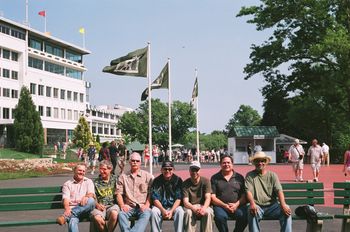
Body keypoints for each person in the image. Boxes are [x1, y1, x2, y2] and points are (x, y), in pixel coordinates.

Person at [245, 152, 292, 232]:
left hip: (272, 206)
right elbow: (248, 191)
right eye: (257, 161)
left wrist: (283, 204)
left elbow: (279, 191)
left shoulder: (273, 175)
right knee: (251, 211)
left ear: (266, 162)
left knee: (287, 211)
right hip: (257, 206)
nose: (260, 163)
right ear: (254, 163)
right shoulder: (250, 175)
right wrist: (252, 204)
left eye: (262, 161)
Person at [116, 152, 153, 232]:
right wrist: (122, 205)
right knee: (121, 214)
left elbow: (151, 193)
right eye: (133, 160)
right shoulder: (123, 177)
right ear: (129, 162)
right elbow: (118, 193)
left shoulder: (147, 176)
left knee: (147, 214)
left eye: (137, 161)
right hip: (128, 206)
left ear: (140, 162)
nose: (135, 162)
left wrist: (147, 205)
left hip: (142, 206)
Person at [211, 154, 248, 232]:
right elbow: (213, 197)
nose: (226, 164)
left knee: (244, 216)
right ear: (220, 164)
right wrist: (224, 206)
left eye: (228, 162)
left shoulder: (239, 177)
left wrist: (236, 204)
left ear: (232, 164)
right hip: (220, 206)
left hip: (238, 206)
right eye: (224, 163)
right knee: (219, 217)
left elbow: (244, 195)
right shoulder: (215, 178)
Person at [56, 164, 95, 232]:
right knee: (72, 220)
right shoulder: (67, 184)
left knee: (91, 200)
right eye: (80, 170)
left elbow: (91, 193)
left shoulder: (88, 181)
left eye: (83, 171)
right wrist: (67, 208)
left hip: (86, 209)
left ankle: (66, 217)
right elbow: (66, 199)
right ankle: (70, 215)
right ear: (74, 171)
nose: (81, 172)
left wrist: (86, 196)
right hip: (72, 208)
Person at [150, 160, 184, 232]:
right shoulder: (156, 181)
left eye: (170, 169)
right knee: (154, 212)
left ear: (173, 170)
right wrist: (163, 210)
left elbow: (179, 198)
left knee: (180, 211)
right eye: (165, 169)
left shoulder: (178, 180)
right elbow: (155, 199)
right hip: (160, 206)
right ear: (161, 170)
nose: (167, 171)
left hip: (174, 206)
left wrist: (171, 211)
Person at [182, 161, 213, 232]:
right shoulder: (185, 183)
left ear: (200, 170)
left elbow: (208, 198)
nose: (194, 172)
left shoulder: (206, 181)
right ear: (189, 171)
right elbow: (185, 202)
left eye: (196, 170)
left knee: (208, 212)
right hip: (190, 206)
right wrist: (194, 208)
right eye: (192, 170)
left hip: (203, 205)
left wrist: (203, 208)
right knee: (188, 213)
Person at [90, 160, 119, 232]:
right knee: (97, 218)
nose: (102, 171)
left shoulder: (116, 179)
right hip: (99, 206)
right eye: (100, 169)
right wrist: (97, 204)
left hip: (112, 205)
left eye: (104, 169)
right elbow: (92, 196)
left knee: (114, 214)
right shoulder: (95, 182)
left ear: (110, 169)